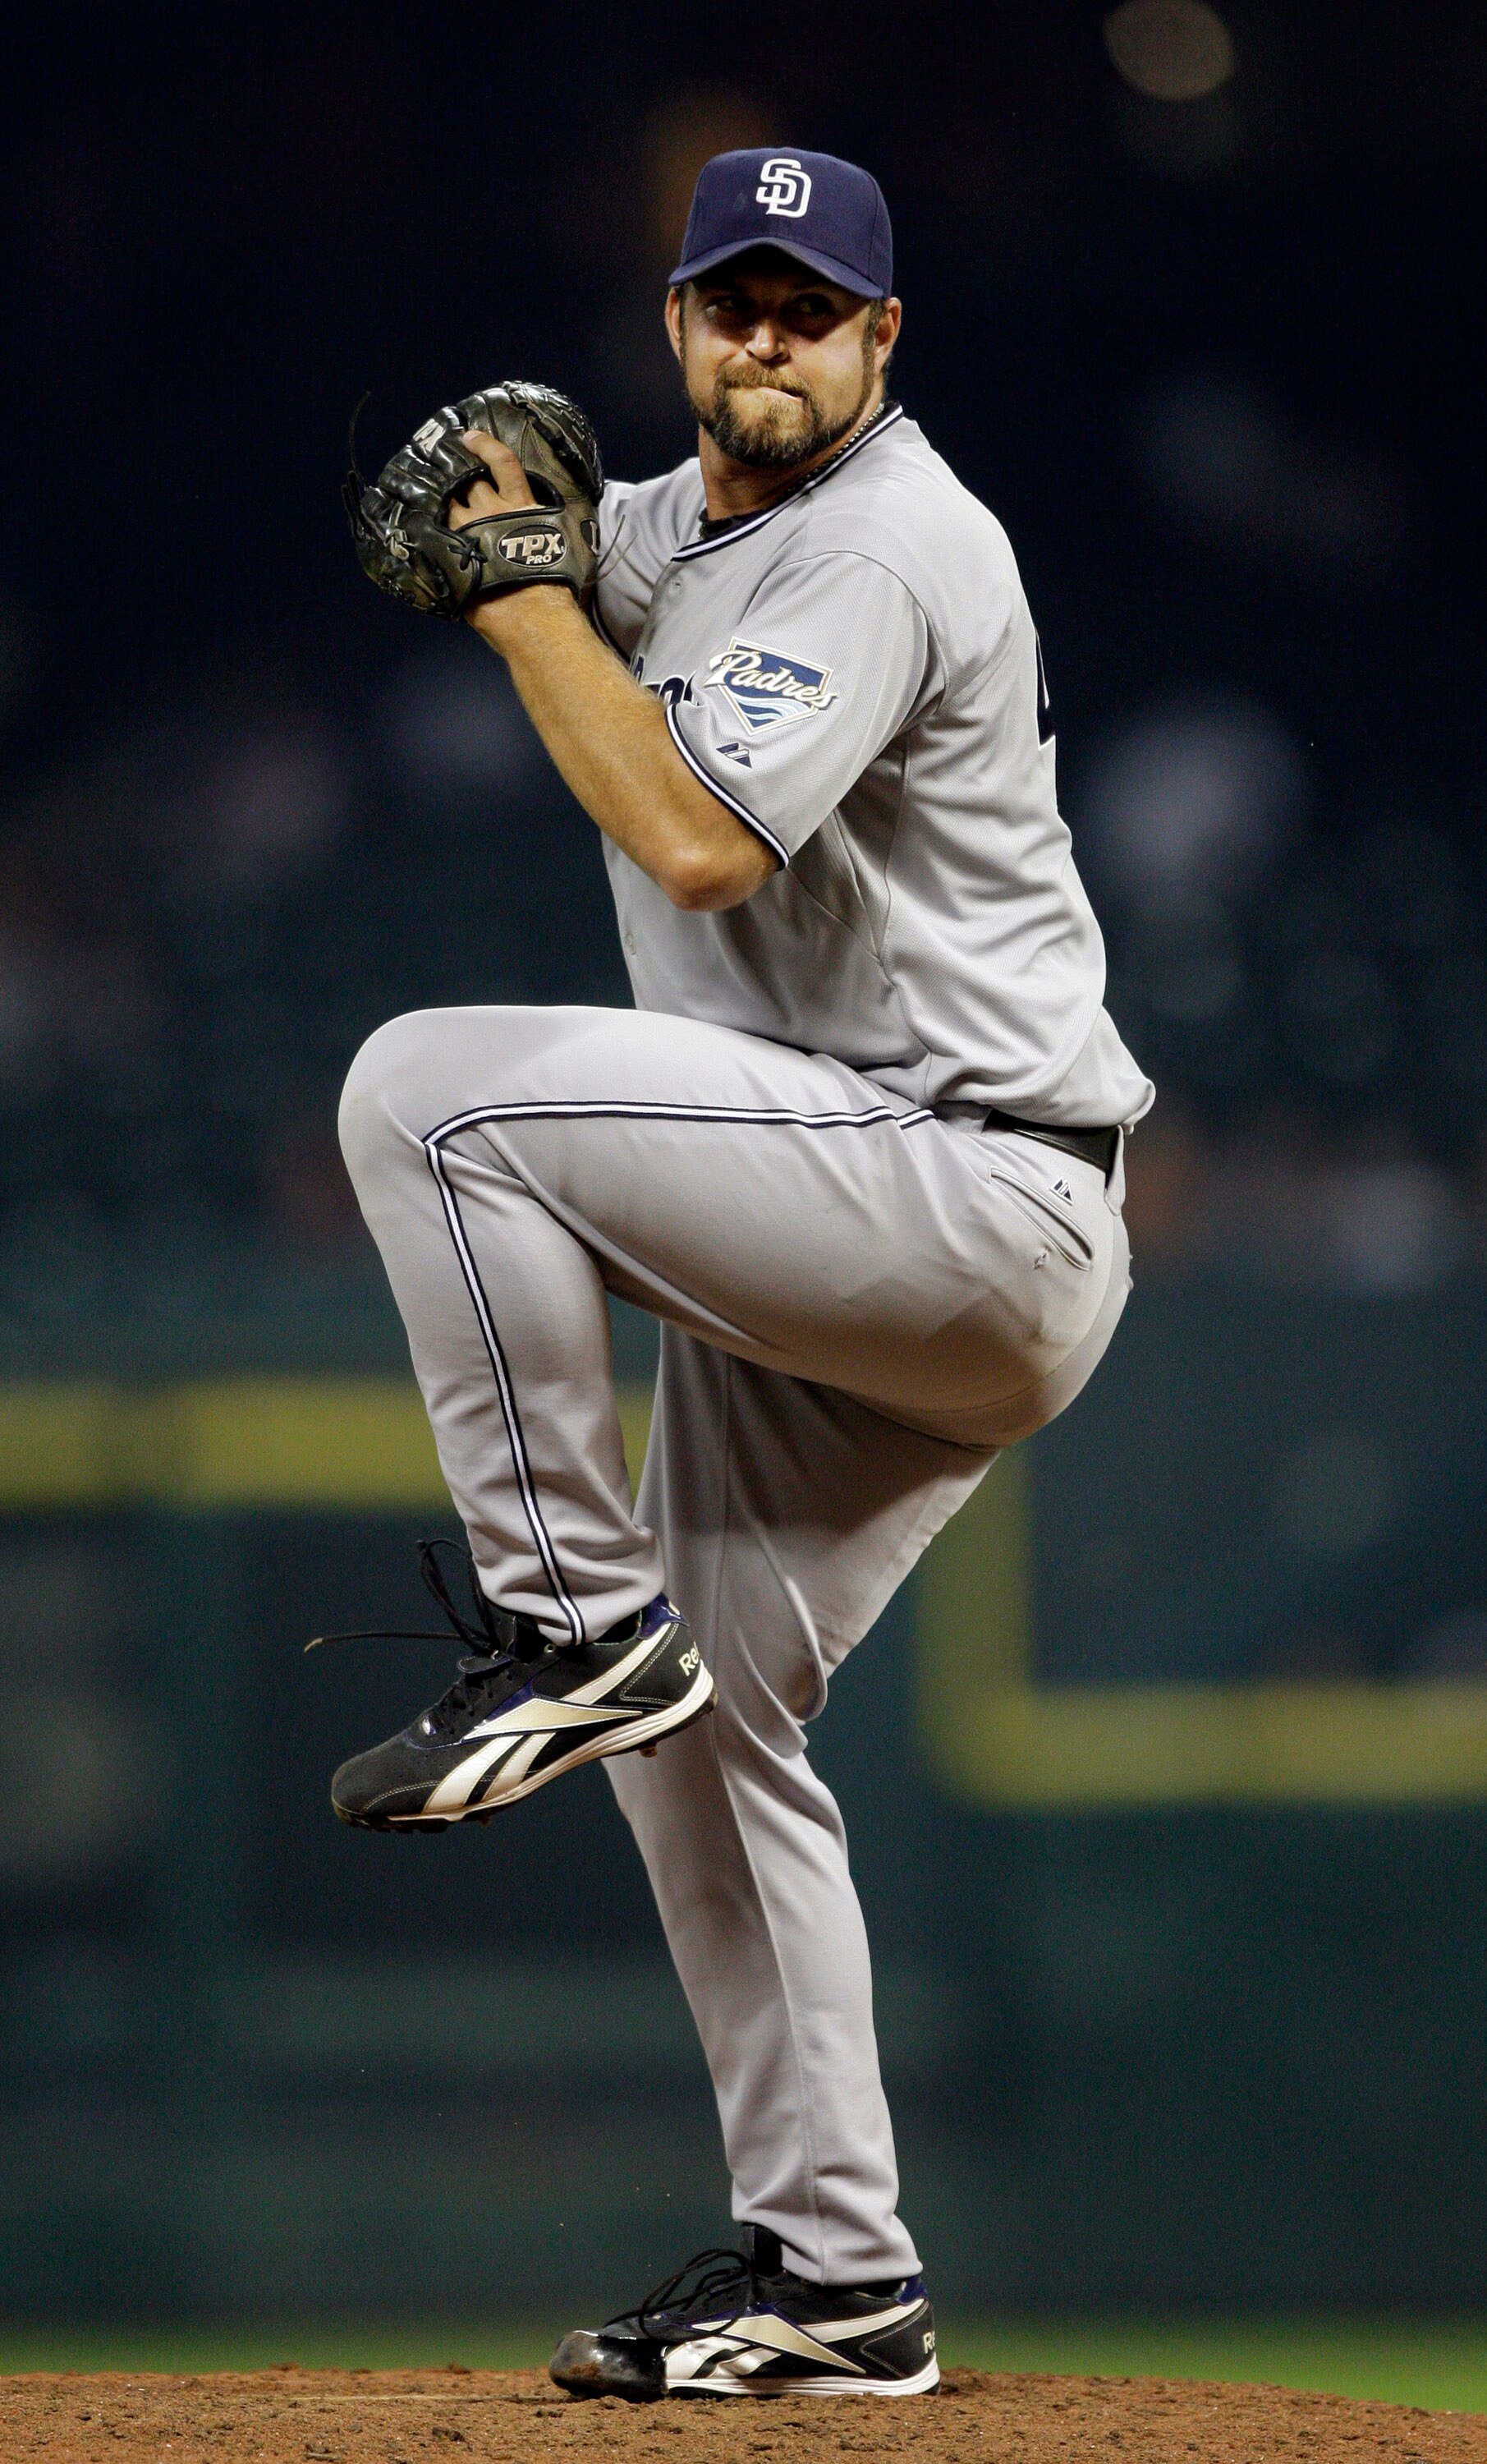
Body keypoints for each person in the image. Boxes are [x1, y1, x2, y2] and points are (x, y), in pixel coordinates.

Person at [333, 145, 1153, 2402]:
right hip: (872, 1232)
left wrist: (511, 602)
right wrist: (494, 533)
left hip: (963, 1195)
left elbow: (691, 827)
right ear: (678, 328)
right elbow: (491, 527)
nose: (767, 335)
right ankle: (833, 2280)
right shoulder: (677, 531)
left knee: (428, 1089)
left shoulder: (888, 540)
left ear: (882, 341)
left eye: (814, 306)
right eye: (731, 300)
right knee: (710, 1740)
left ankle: (565, 1618)